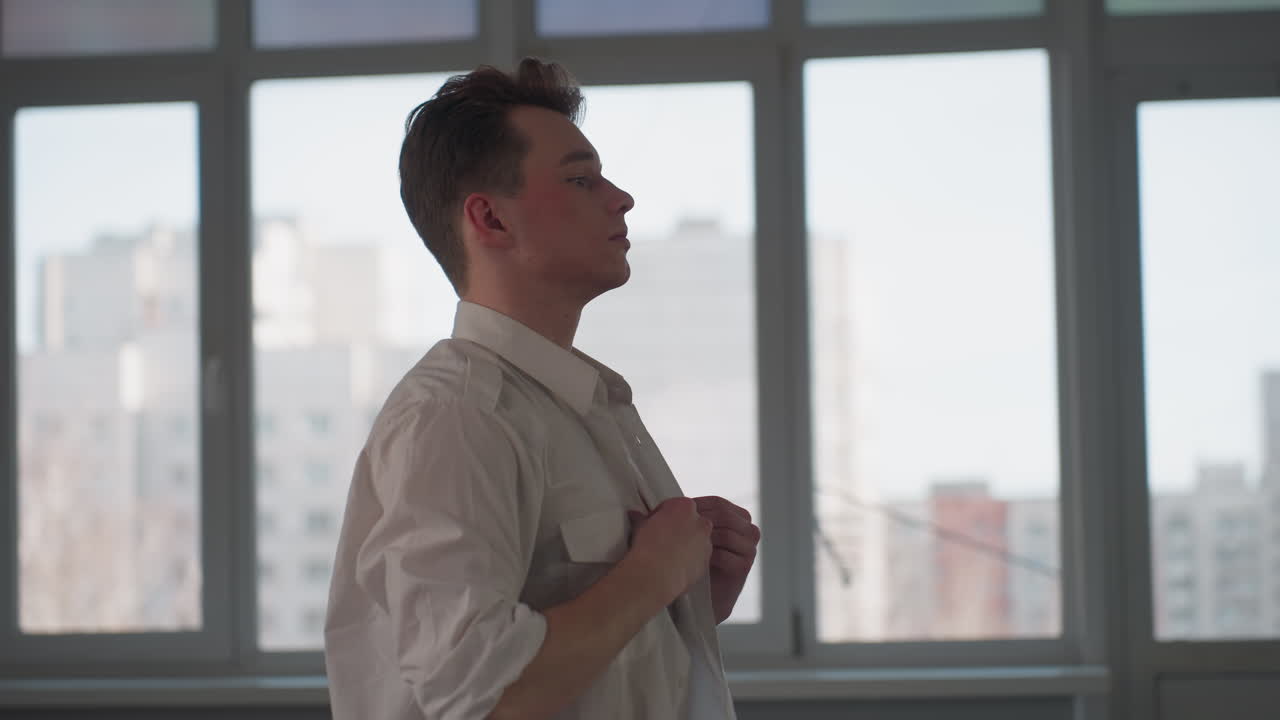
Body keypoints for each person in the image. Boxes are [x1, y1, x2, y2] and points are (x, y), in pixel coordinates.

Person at [323, 57, 761, 720]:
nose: (622, 198)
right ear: (491, 221)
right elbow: (485, 697)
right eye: (582, 179)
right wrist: (650, 577)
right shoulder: (459, 415)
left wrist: (685, 605)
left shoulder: (578, 405)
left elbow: (571, 666)